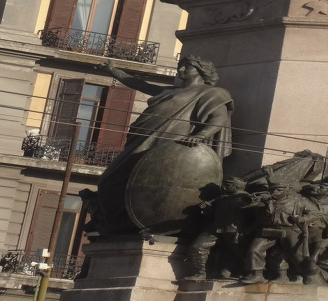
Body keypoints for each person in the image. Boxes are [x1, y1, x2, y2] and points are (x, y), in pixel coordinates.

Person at [94, 56, 234, 234]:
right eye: (180, 66)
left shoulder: (213, 93)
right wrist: (114, 71)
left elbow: (218, 117)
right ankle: (118, 225)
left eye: (187, 67)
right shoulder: (168, 91)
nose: (180, 70)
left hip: (168, 147)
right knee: (109, 182)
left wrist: (201, 135)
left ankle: (130, 225)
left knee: (144, 185)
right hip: (143, 141)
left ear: (202, 71)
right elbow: (141, 85)